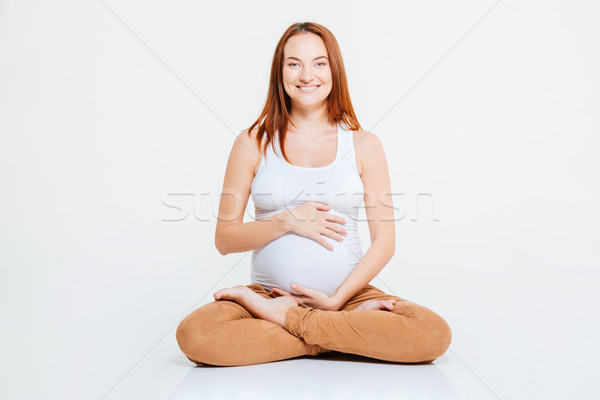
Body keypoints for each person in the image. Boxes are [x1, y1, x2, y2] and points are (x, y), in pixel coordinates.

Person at [176, 22, 452, 366]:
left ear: (334, 70)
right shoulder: (252, 143)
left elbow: (385, 242)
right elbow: (224, 239)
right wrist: (289, 220)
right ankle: (340, 337)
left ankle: (292, 322)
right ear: (280, 74)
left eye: (319, 63)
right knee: (196, 334)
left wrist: (337, 301)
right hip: (266, 295)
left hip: (349, 297)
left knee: (431, 333)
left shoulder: (364, 145)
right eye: (294, 64)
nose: (307, 74)